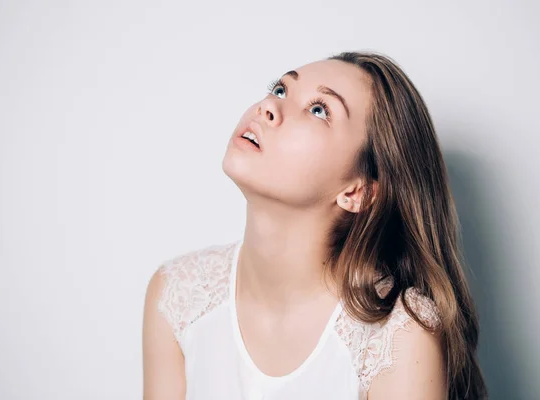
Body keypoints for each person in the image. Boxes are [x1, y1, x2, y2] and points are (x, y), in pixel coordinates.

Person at [142, 51, 488, 399]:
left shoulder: (401, 334)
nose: (268, 107)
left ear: (357, 191)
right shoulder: (177, 294)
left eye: (319, 110)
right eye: (280, 90)